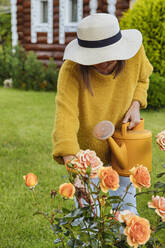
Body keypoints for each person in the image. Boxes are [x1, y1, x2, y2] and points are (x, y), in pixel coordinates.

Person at [52, 13, 153, 215]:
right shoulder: (71, 70)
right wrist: (77, 174)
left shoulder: (135, 54)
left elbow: (143, 79)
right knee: (87, 220)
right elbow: (65, 118)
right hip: (87, 158)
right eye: (96, 59)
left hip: (124, 148)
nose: (103, 62)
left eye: (108, 56)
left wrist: (135, 105)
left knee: (126, 213)